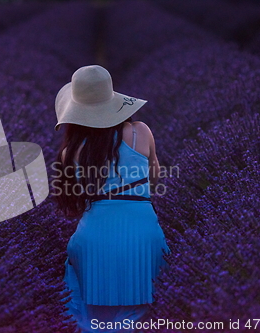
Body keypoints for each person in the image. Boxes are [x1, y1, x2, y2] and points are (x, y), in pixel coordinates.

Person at [52, 65, 170, 332]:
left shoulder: (70, 152)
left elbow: (76, 198)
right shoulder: (141, 132)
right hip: (142, 234)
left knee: (93, 317)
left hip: (94, 237)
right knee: (143, 315)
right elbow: (154, 177)